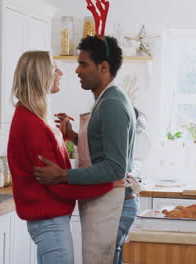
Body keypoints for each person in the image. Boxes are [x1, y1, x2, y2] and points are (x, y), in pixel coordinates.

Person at [34, 36, 138, 264]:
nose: (77, 71)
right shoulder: (106, 99)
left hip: (115, 202)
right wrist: (73, 136)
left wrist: (63, 175)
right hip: (108, 199)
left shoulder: (112, 104)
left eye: (83, 64)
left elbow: (115, 167)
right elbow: (103, 146)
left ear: (103, 68)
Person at [7, 50, 118, 264]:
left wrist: (65, 137)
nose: (60, 72)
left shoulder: (31, 117)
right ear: (41, 76)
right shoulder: (31, 124)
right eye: (54, 68)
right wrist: (109, 184)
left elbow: (57, 171)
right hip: (49, 222)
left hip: (49, 220)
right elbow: (58, 182)